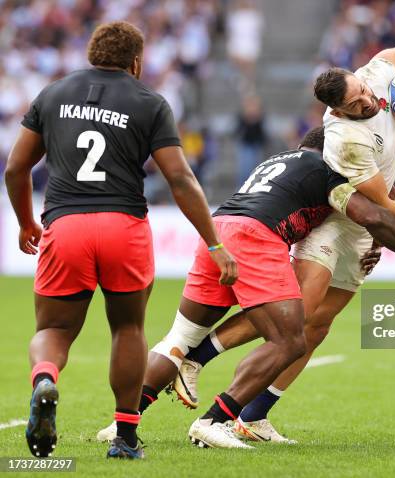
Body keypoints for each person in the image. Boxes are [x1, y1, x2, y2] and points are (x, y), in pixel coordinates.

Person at [158, 46, 395, 443]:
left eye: (361, 91)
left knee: (319, 328)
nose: (366, 100)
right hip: (334, 221)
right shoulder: (346, 138)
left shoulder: (372, 81)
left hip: (363, 228)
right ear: (337, 112)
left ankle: (255, 417)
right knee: (297, 317)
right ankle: (197, 361)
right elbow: (382, 206)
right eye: (354, 102)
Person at [96, 126, 395, 448]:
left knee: (179, 336)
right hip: (257, 237)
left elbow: (371, 216)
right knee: (290, 337)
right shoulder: (327, 171)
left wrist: (373, 243)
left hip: (218, 230)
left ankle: (122, 423)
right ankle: (214, 419)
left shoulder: (279, 160)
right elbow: (373, 215)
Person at [3, 21, 237, 460]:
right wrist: (214, 242)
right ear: (136, 62)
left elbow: (16, 169)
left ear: (92, 54)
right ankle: (126, 438)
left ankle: (46, 378)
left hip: (65, 224)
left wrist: (24, 222)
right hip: (122, 226)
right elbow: (180, 179)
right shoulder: (149, 102)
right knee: (127, 327)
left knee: (53, 328)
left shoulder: (53, 94)